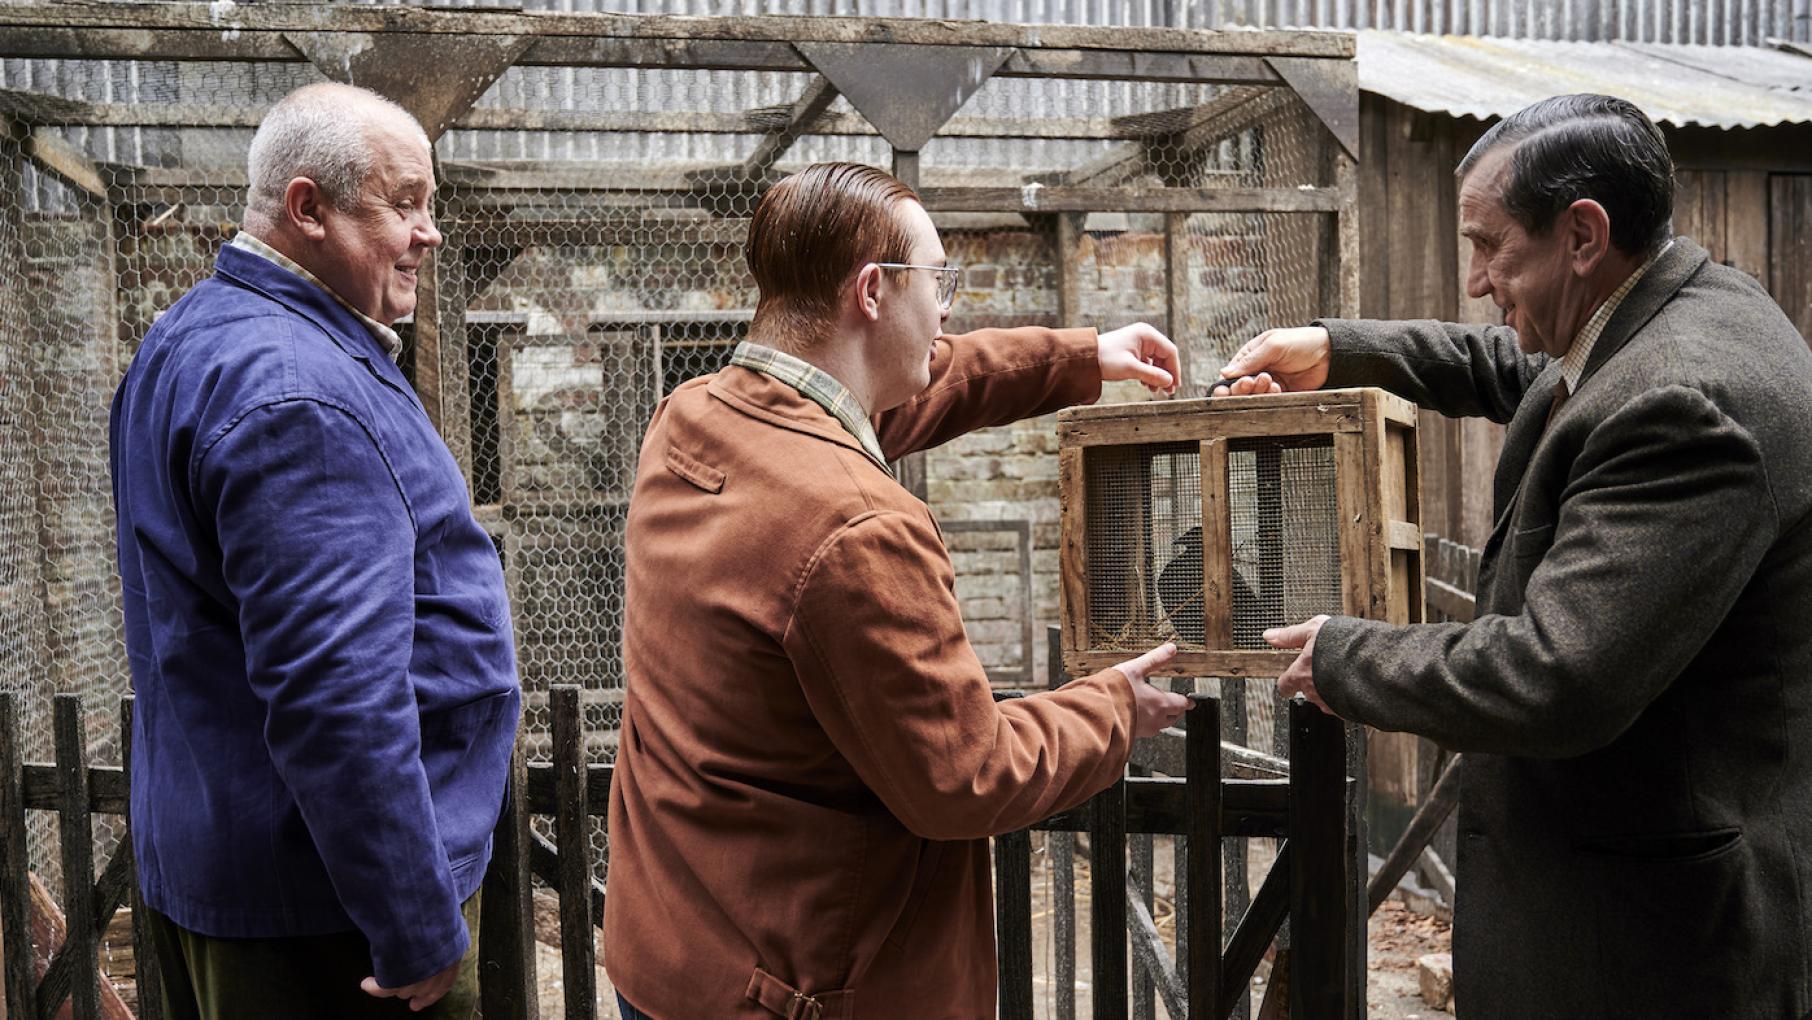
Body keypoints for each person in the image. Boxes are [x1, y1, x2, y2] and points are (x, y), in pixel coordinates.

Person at [1216, 94, 1812, 1016]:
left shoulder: (1685, 404)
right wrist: (1340, 350)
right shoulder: (1677, 306)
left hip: (1653, 954)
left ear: (1582, 234)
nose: (1476, 280)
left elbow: (1557, 675)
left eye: (1492, 247)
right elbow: (1518, 366)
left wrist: (1347, 654)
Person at [602, 162, 1194, 1018]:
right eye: (939, 280)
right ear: (873, 291)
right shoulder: (857, 530)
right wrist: (1110, 711)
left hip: (672, 953)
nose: (948, 305)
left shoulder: (695, 416)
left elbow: (904, 390)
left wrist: (1079, 359)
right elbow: (968, 775)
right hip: (795, 989)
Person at [109, 82, 519, 1018]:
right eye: (404, 203)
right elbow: (336, 692)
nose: (431, 233)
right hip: (326, 918)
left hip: (239, 857)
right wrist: (411, 916)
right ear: (309, 209)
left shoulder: (190, 336)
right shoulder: (299, 393)